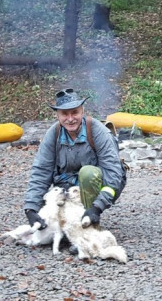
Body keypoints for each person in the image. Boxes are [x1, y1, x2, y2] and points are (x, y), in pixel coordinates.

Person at [23, 88, 125, 230]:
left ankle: (90, 226)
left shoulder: (98, 132)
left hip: (101, 184)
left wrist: (97, 207)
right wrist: (31, 208)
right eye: (64, 114)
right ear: (57, 115)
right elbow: (41, 171)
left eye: (75, 113)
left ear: (82, 111)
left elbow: (113, 173)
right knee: (54, 227)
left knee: (88, 173)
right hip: (67, 188)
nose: (70, 119)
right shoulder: (53, 134)